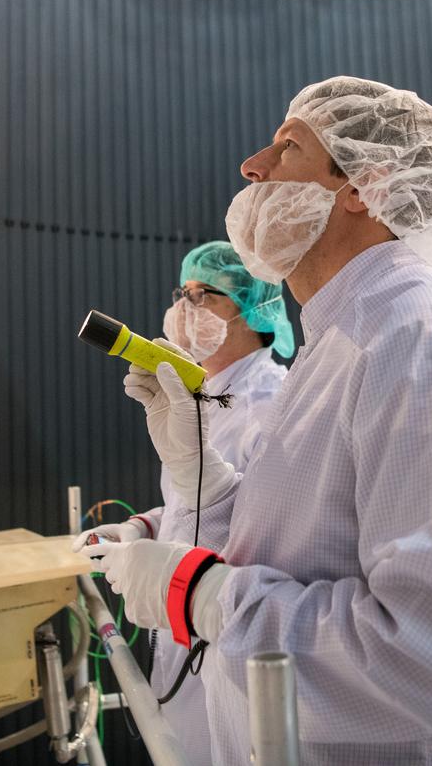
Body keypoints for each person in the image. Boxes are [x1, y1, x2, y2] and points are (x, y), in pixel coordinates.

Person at [89, 77, 432, 764]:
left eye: (288, 146)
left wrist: (205, 595)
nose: (253, 165)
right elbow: (300, 544)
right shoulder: (340, 340)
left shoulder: (423, 336)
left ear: (363, 186)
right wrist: (200, 475)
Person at [74, 241, 293, 765]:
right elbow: (190, 497)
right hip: (181, 624)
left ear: (252, 309)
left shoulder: (271, 404)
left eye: (205, 294)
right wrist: (144, 527)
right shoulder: (205, 393)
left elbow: (256, 524)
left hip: (228, 636)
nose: (184, 306)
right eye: (183, 292)